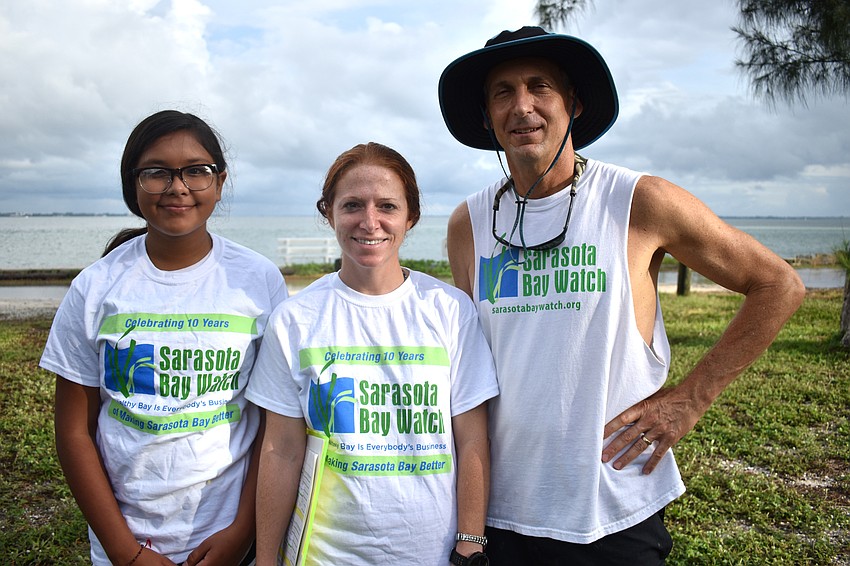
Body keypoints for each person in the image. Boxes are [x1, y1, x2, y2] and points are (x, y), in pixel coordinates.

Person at [438, 26, 805, 564]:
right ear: (488, 115)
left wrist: (688, 400)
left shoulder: (636, 201)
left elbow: (778, 285)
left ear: (575, 104)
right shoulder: (469, 223)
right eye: (502, 92)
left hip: (614, 503)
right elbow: (468, 368)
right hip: (502, 508)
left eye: (539, 86)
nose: (522, 106)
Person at [40, 110, 289, 565]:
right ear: (132, 183)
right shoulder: (95, 286)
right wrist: (125, 550)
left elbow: (271, 423)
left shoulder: (258, 279)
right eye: (156, 172)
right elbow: (74, 431)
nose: (178, 187)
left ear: (220, 180)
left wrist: (242, 531)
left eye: (197, 171)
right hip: (125, 539)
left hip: (229, 536)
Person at [246, 142, 498, 566]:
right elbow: (281, 449)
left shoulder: (451, 310)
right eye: (351, 205)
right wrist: (268, 558)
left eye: (387, 206)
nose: (370, 222)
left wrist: (470, 543)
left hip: (431, 554)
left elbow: (471, 436)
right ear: (329, 213)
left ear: (410, 216)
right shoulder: (294, 319)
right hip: (323, 554)